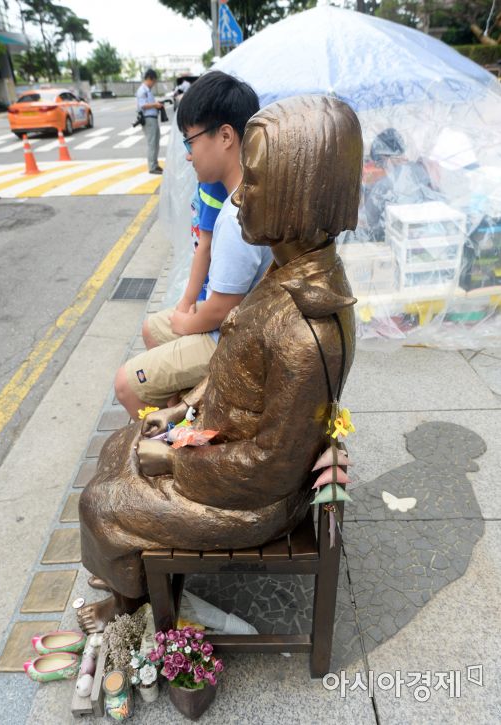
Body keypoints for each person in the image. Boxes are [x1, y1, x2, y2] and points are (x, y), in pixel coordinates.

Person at [77, 94, 362, 633]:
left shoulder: (310, 329)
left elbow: (269, 467)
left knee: (101, 502)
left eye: (252, 183)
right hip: (223, 443)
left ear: (293, 196)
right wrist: (184, 407)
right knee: (124, 442)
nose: (239, 199)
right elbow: (232, 364)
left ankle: (130, 604)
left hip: (253, 502)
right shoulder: (287, 272)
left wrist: (176, 462)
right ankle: (131, 562)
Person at [115, 71, 270, 419]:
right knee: (152, 327)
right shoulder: (250, 195)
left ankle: (178, 456)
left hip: (230, 341)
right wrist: (186, 309)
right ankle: (188, 408)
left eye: (190, 141)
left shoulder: (236, 216)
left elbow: (219, 311)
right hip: (234, 328)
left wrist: (186, 322)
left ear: (226, 136)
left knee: (125, 383)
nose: (188, 155)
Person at [364, 128, 438, 240]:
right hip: (430, 236)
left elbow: (370, 221)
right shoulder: (420, 170)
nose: (380, 167)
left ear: (384, 157)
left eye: (379, 162)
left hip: (398, 240)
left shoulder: (383, 186)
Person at [136, 69, 164, 174]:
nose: (154, 84)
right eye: (154, 81)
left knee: (156, 142)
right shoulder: (142, 90)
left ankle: (155, 164)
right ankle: (152, 167)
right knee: (152, 143)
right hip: (148, 119)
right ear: (149, 79)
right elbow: (142, 105)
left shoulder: (147, 90)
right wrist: (155, 105)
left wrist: (156, 105)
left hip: (153, 118)